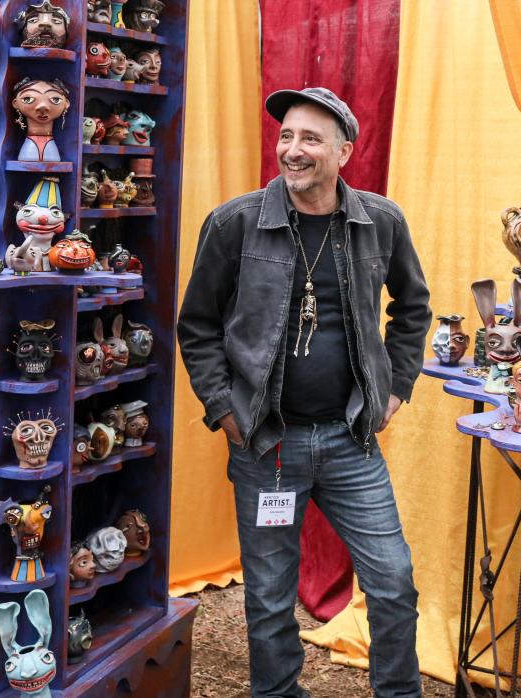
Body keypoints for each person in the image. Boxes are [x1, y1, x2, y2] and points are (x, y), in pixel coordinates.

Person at [177, 87, 431, 698]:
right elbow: (198, 325)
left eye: (310, 139)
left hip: (350, 439)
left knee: (393, 581)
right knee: (268, 598)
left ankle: (398, 692)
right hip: (267, 442)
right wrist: (224, 410)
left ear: (345, 150)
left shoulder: (381, 222)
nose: (292, 150)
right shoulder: (235, 222)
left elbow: (413, 310)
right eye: (287, 136)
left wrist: (395, 388)